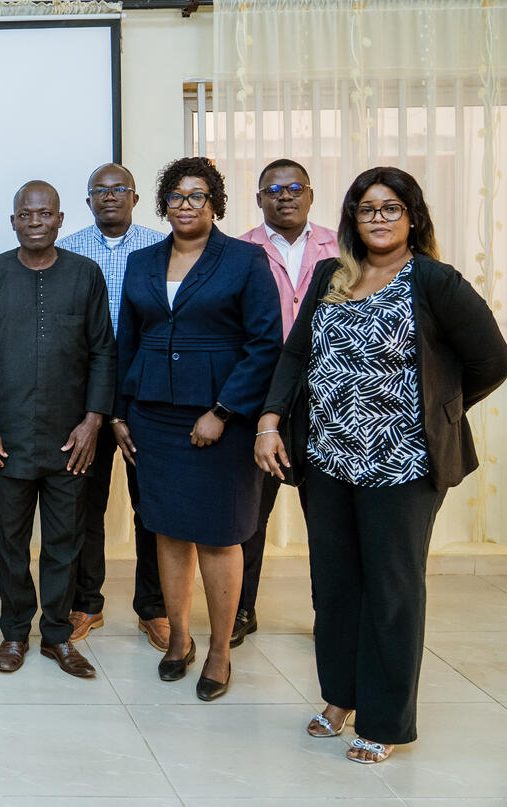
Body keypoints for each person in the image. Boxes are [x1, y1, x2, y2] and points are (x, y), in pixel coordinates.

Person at [256, 166, 507, 764]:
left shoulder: (434, 281)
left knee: (391, 590)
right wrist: (269, 421)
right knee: (334, 585)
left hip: (403, 465)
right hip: (327, 459)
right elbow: (295, 356)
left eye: (390, 208)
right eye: (367, 208)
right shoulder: (331, 274)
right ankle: (340, 698)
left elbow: (492, 360)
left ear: (412, 217)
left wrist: (436, 412)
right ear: (352, 218)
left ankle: (386, 720)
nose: (378, 218)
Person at [112, 157, 280, 701]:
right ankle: (179, 639)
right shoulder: (142, 261)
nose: (186, 205)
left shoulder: (245, 260)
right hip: (153, 417)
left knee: (219, 533)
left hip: (219, 419)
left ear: (215, 204)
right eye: (177, 196)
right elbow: (128, 340)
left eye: (197, 196)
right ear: (164, 204)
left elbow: (265, 344)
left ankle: (220, 651)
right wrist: (119, 413)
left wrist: (223, 411)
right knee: (167, 529)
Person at [0, 181, 113, 679]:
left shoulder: (85, 274)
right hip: (7, 436)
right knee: (12, 543)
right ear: (13, 221)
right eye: (26, 214)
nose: (35, 222)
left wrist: (93, 421)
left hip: (69, 438)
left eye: (45, 214)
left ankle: (57, 636)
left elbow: (103, 350)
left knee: (64, 542)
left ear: (60, 220)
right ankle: (14, 632)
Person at [55, 163, 167, 648]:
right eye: (99, 190)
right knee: (85, 504)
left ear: (135, 197)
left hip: (147, 393)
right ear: (88, 201)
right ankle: (87, 603)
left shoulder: (162, 248)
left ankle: (155, 608)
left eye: (119, 188)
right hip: (88, 398)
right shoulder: (67, 251)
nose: (109, 196)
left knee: (153, 505)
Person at [232, 158, 338, 647]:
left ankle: (330, 615)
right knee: (249, 515)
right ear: (259, 199)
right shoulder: (239, 252)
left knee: (329, 518)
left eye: (295, 188)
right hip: (259, 402)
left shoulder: (342, 248)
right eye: (273, 190)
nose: (285, 197)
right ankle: (240, 608)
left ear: (310, 194)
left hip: (326, 401)